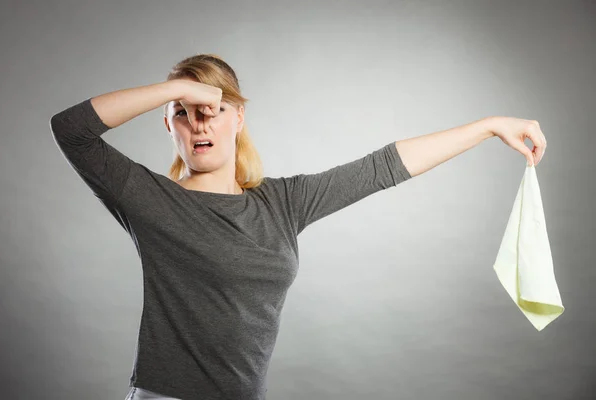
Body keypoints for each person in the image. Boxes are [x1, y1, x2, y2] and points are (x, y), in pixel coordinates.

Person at [50, 53, 547, 400]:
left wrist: (488, 126)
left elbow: (383, 167)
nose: (199, 123)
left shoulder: (282, 203)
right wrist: (180, 87)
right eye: (183, 115)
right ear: (169, 125)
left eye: (213, 110)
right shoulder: (152, 201)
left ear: (237, 118)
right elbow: (70, 129)